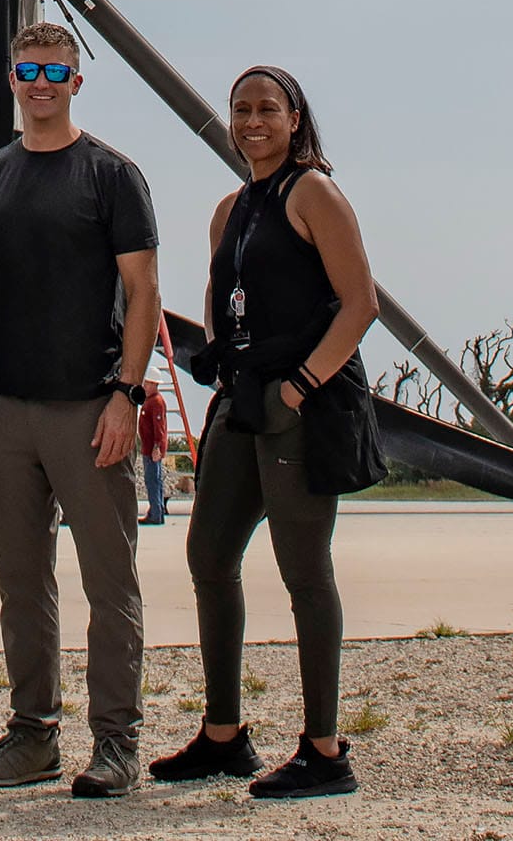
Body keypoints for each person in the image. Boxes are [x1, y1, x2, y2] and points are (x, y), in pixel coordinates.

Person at [150, 63, 380, 804]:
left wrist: (299, 385)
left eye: (267, 109)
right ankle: (224, 735)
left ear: (294, 119)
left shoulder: (313, 192)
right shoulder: (231, 209)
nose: (252, 121)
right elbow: (221, 296)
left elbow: (361, 303)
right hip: (241, 405)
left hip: (302, 405)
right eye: (241, 109)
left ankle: (324, 750)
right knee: (209, 554)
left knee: (303, 570)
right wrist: (224, 367)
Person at [0, 22, 161, 800]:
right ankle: (32, 735)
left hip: (88, 409)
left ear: (77, 81)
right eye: (27, 70)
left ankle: (116, 742)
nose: (40, 83)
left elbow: (144, 292)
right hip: (7, 408)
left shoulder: (112, 175)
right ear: (10, 78)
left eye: (54, 71)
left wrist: (125, 394)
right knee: (22, 580)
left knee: (110, 582)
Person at [138, 379, 170, 526]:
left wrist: (157, 446)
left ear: (154, 385)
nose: (144, 387)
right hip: (149, 447)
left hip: (151, 448)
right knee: (154, 480)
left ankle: (156, 514)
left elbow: (159, 426)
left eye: (147, 384)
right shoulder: (150, 401)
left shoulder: (155, 402)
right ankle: (157, 511)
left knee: (152, 480)